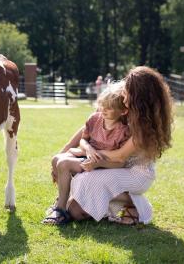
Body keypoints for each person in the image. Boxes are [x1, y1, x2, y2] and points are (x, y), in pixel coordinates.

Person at [48, 66, 173, 226]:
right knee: (72, 190)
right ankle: (70, 205)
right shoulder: (125, 106)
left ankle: (136, 203)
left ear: (138, 96)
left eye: (127, 91)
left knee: (79, 194)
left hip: (134, 174)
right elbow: (89, 127)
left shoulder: (143, 124)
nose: (123, 94)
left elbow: (120, 156)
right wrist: (65, 152)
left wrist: (89, 151)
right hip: (115, 166)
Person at [44, 82, 130, 225]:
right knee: (56, 159)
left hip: (104, 165)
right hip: (87, 155)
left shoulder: (123, 131)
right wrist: (88, 148)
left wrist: (98, 161)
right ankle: (63, 200)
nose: (104, 109)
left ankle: (60, 210)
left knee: (63, 163)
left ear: (123, 111)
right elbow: (83, 140)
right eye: (103, 104)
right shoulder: (94, 119)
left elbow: (120, 161)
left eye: (110, 107)